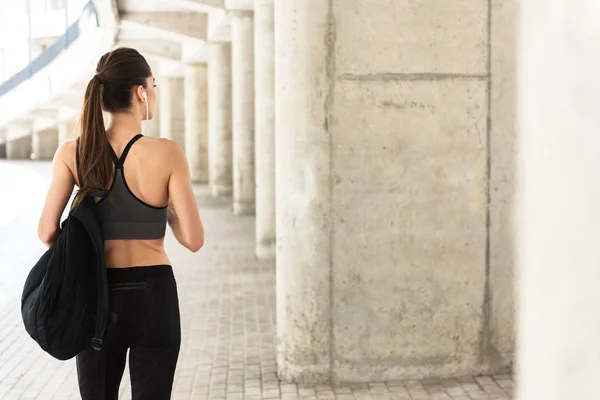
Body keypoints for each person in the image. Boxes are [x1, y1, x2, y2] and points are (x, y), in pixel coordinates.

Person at [36, 47, 204, 399]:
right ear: (141, 92)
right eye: (153, 86)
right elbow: (193, 238)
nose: (154, 94)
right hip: (154, 297)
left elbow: (47, 231)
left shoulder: (73, 152)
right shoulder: (168, 153)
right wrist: (161, 208)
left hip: (96, 298)